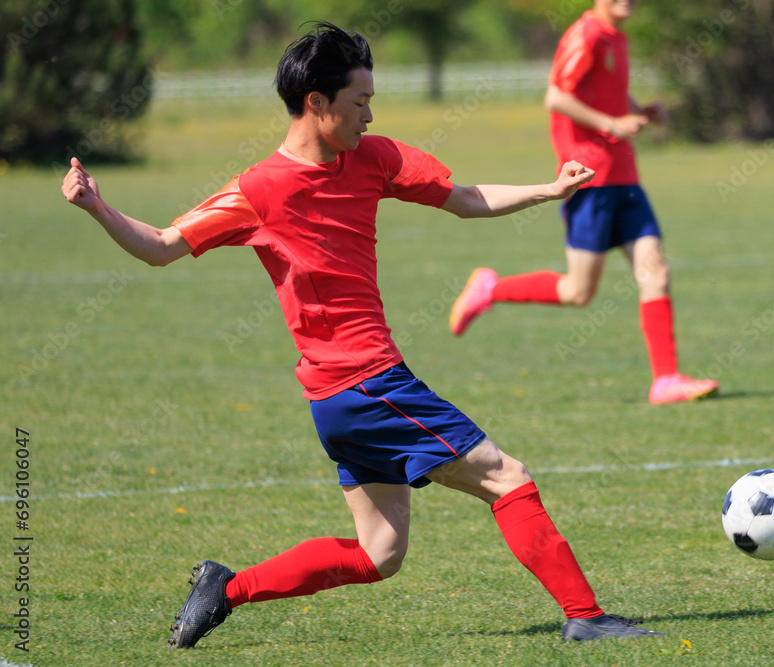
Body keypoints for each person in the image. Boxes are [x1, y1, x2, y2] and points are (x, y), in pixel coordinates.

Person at [61, 22, 664, 647]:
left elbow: (463, 198)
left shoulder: (373, 159)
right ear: (316, 103)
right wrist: (98, 208)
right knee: (506, 477)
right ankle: (587, 618)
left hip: (338, 400)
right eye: (359, 102)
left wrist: (549, 188)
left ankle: (225, 588)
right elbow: (161, 246)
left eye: (372, 100)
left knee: (379, 554)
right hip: (367, 382)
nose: (369, 115)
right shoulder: (258, 190)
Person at [447, 0, 718, 405]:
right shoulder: (586, 34)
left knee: (655, 271)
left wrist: (638, 110)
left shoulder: (616, 37)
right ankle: (491, 289)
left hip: (625, 176)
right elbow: (556, 97)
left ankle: (666, 380)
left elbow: (607, 94)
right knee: (577, 291)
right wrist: (612, 124)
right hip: (588, 178)